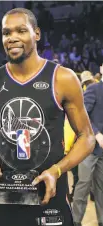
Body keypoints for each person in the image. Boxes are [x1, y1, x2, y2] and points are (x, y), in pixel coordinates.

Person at [0, 8, 95, 226]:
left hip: (50, 196)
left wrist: (56, 170)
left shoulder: (62, 78)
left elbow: (87, 137)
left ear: (37, 33)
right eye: (6, 33)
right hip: (7, 198)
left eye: (21, 31)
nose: (12, 38)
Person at [72, 64, 103, 226]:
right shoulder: (94, 89)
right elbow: (81, 115)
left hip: (102, 152)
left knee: (101, 188)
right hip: (89, 148)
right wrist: (97, 133)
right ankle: (75, 221)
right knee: (83, 185)